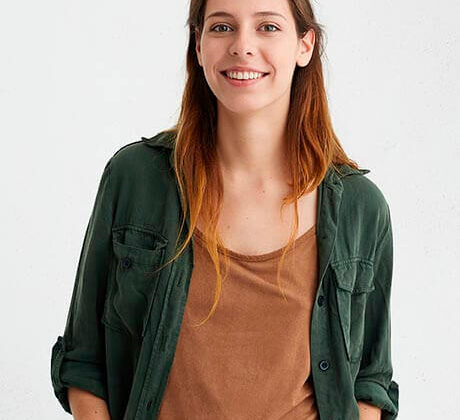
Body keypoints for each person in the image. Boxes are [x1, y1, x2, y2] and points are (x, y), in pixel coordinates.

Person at [50, 1, 399, 419]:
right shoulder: (136, 179)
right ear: (198, 45)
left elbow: (370, 381)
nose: (242, 46)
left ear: (304, 45)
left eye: (268, 27)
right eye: (221, 27)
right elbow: (84, 360)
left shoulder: (361, 208)